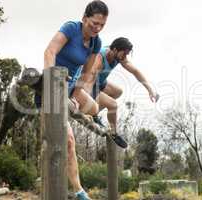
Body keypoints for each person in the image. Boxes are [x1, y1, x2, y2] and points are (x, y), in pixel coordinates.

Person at [42, 1, 108, 199]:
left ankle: (92, 118)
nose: (96, 28)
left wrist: (76, 96)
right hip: (53, 85)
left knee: (95, 107)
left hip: (71, 89)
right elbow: (49, 52)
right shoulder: (71, 28)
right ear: (84, 18)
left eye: (101, 25)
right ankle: (79, 191)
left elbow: (87, 73)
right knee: (68, 141)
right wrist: (52, 81)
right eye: (93, 23)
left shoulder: (96, 42)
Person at [77, 37, 159, 144]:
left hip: (100, 83)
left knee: (118, 91)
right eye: (124, 54)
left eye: (126, 54)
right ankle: (114, 133)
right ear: (115, 49)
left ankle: (94, 114)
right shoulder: (100, 59)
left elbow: (135, 71)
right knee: (113, 105)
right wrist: (86, 105)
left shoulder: (119, 57)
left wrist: (150, 90)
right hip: (88, 85)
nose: (125, 57)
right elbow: (89, 80)